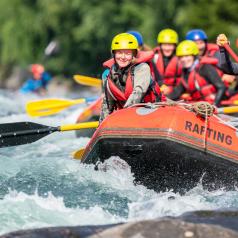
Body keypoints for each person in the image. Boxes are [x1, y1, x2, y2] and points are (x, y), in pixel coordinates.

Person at [99, 33, 164, 122]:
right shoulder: (108, 75)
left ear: (134, 55)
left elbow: (138, 92)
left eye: (127, 53)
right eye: (119, 53)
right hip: (128, 115)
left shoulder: (142, 68)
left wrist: (124, 116)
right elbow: (107, 105)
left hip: (151, 111)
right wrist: (102, 124)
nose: (123, 57)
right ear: (113, 54)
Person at [167, 40, 226, 106]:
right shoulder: (186, 73)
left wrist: (215, 105)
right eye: (181, 57)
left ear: (194, 56)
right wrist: (165, 99)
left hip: (214, 105)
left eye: (187, 56)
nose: (184, 59)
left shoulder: (205, 67)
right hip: (200, 106)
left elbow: (221, 87)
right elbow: (177, 91)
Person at [153, 28, 182, 95]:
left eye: (170, 45)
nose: (167, 48)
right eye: (164, 45)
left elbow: (183, 80)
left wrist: (171, 90)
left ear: (175, 46)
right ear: (160, 45)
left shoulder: (181, 59)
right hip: (157, 92)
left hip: (175, 93)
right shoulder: (154, 58)